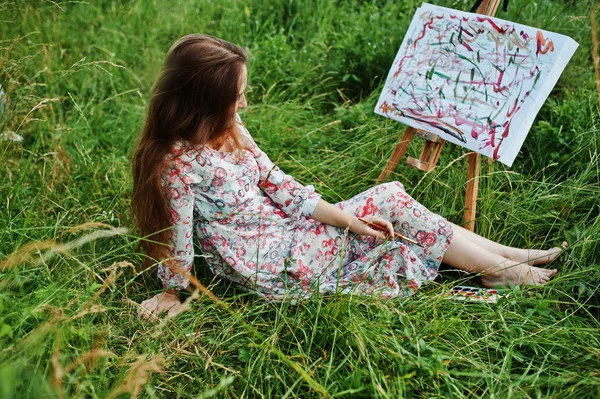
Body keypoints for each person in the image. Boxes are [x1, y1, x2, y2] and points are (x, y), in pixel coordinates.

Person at [133, 34, 565, 319]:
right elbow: (176, 237)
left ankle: (506, 257)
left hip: (288, 231)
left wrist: (347, 219)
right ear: (204, 102)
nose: (244, 103)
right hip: (266, 263)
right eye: (236, 95)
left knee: (389, 202)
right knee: (392, 198)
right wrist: (173, 291)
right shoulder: (178, 165)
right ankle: (499, 270)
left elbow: (279, 183)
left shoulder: (228, 129)